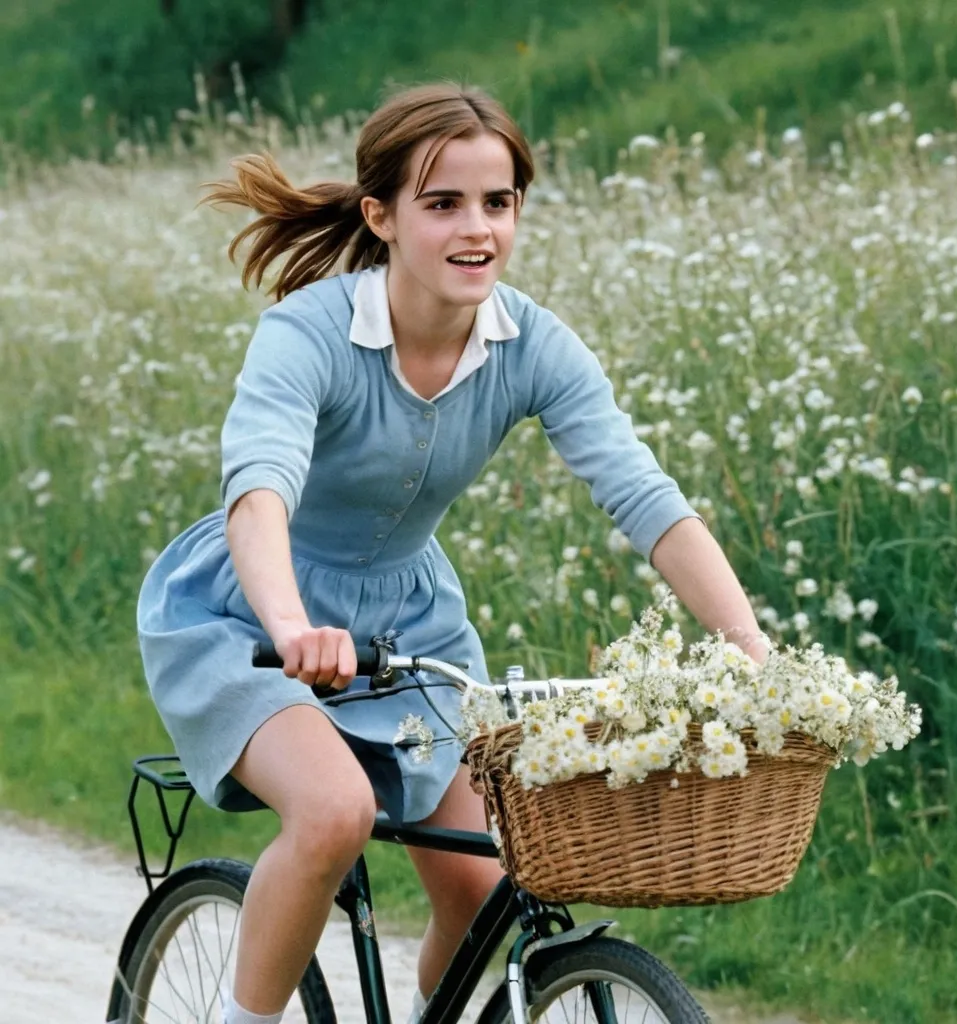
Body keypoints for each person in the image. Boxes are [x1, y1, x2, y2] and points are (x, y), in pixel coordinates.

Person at [136, 81, 767, 1024]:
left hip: (409, 629)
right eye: (444, 204)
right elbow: (259, 490)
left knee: (483, 896)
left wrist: (753, 652)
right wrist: (292, 625)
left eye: (498, 202)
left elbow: (645, 498)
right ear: (380, 215)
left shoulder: (531, 344)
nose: (478, 229)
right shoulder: (309, 333)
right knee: (336, 813)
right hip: (250, 620)